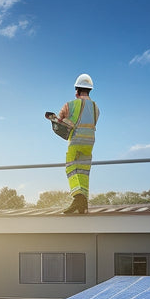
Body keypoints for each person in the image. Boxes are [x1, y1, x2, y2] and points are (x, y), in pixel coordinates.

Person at [51, 73, 100, 214]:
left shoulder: (70, 105)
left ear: (77, 90)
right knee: (84, 171)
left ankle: (77, 197)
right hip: (90, 142)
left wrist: (56, 120)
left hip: (76, 140)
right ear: (89, 90)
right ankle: (83, 204)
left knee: (71, 168)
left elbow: (60, 121)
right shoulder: (96, 107)